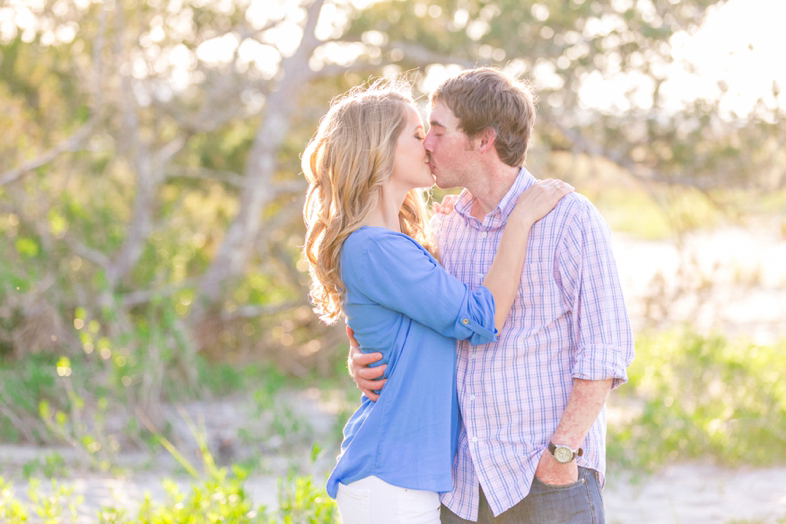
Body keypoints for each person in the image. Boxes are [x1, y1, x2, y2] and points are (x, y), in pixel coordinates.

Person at [349, 68, 635, 523]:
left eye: (437, 131)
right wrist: (363, 354)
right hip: (462, 489)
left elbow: (604, 352)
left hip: (542, 480)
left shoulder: (568, 219)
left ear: (483, 140)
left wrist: (561, 455)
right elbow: (412, 313)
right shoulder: (445, 226)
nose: (427, 144)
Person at [301, 81, 573, 524]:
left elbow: (409, 337)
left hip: (408, 480)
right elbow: (481, 318)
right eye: (414, 134)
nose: (428, 143)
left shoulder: (393, 245)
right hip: (390, 481)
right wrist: (520, 218)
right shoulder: (376, 249)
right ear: (378, 151)